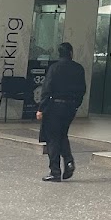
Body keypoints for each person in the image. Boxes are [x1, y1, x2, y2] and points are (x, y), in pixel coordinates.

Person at [36, 42, 87, 182]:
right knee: (62, 135)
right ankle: (68, 162)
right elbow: (82, 90)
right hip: (70, 107)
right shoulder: (78, 68)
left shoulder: (54, 68)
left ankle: (55, 171)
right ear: (71, 53)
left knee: (53, 138)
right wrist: (76, 105)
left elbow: (47, 89)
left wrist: (41, 108)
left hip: (54, 106)